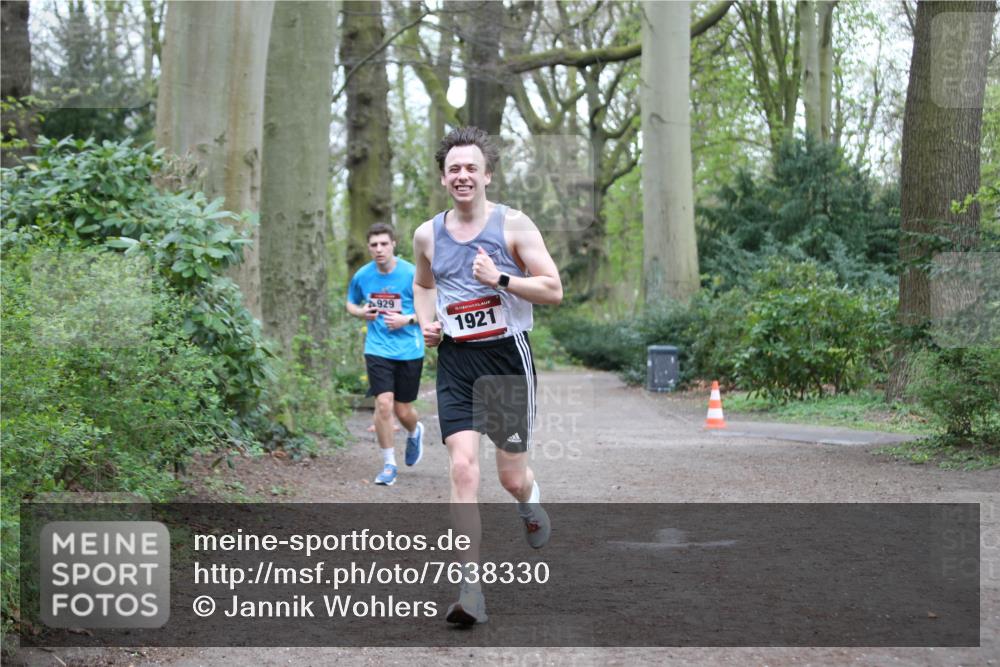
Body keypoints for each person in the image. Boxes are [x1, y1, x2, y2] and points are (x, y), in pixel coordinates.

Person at [412, 127, 563, 625]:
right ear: (443, 178)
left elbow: (553, 289)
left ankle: (529, 502)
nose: (462, 175)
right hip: (456, 360)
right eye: (454, 168)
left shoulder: (514, 225)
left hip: (505, 359)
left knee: (510, 476)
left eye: (471, 167)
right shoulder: (427, 234)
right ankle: (469, 588)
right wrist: (427, 322)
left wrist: (498, 277)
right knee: (462, 469)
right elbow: (421, 283)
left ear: (486, 175)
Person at [346, 222, 425, 486]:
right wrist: (361, 312)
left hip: (409, 349)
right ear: (368, 248)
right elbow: (351, 303)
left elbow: (431, 310)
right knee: (383, 404)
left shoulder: (412, 274)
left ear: (394, 245)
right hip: (377, 348)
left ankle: (415, 431)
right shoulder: (363, 275)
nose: (379, 249)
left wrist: (407, 320)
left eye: (383, 244)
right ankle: (389, 464)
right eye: (373, 245)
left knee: (403, 410)